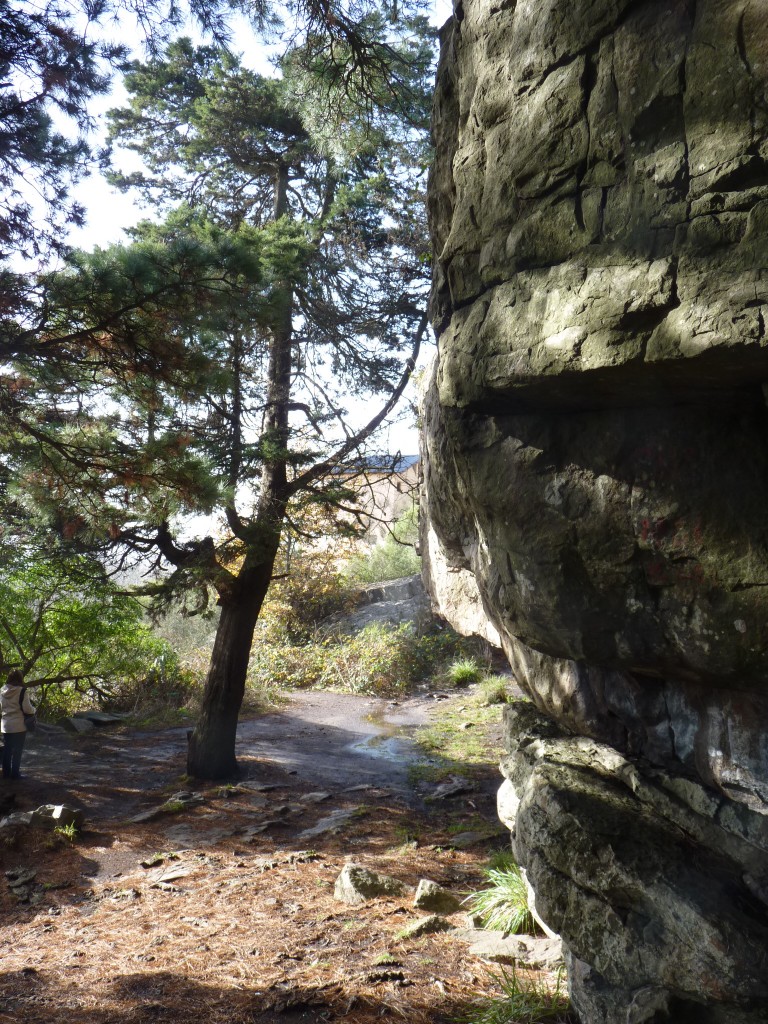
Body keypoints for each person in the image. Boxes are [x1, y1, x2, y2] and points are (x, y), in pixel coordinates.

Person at [1, 669, 35, 780]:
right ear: (20, 678)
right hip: (19, 725)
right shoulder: (22, 691)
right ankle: (15, 774)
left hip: (6, 725)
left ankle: (6, 774)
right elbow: (27, 709)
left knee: (7, 749)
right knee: (17, 751)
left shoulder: (1, 690)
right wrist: (34, 710)